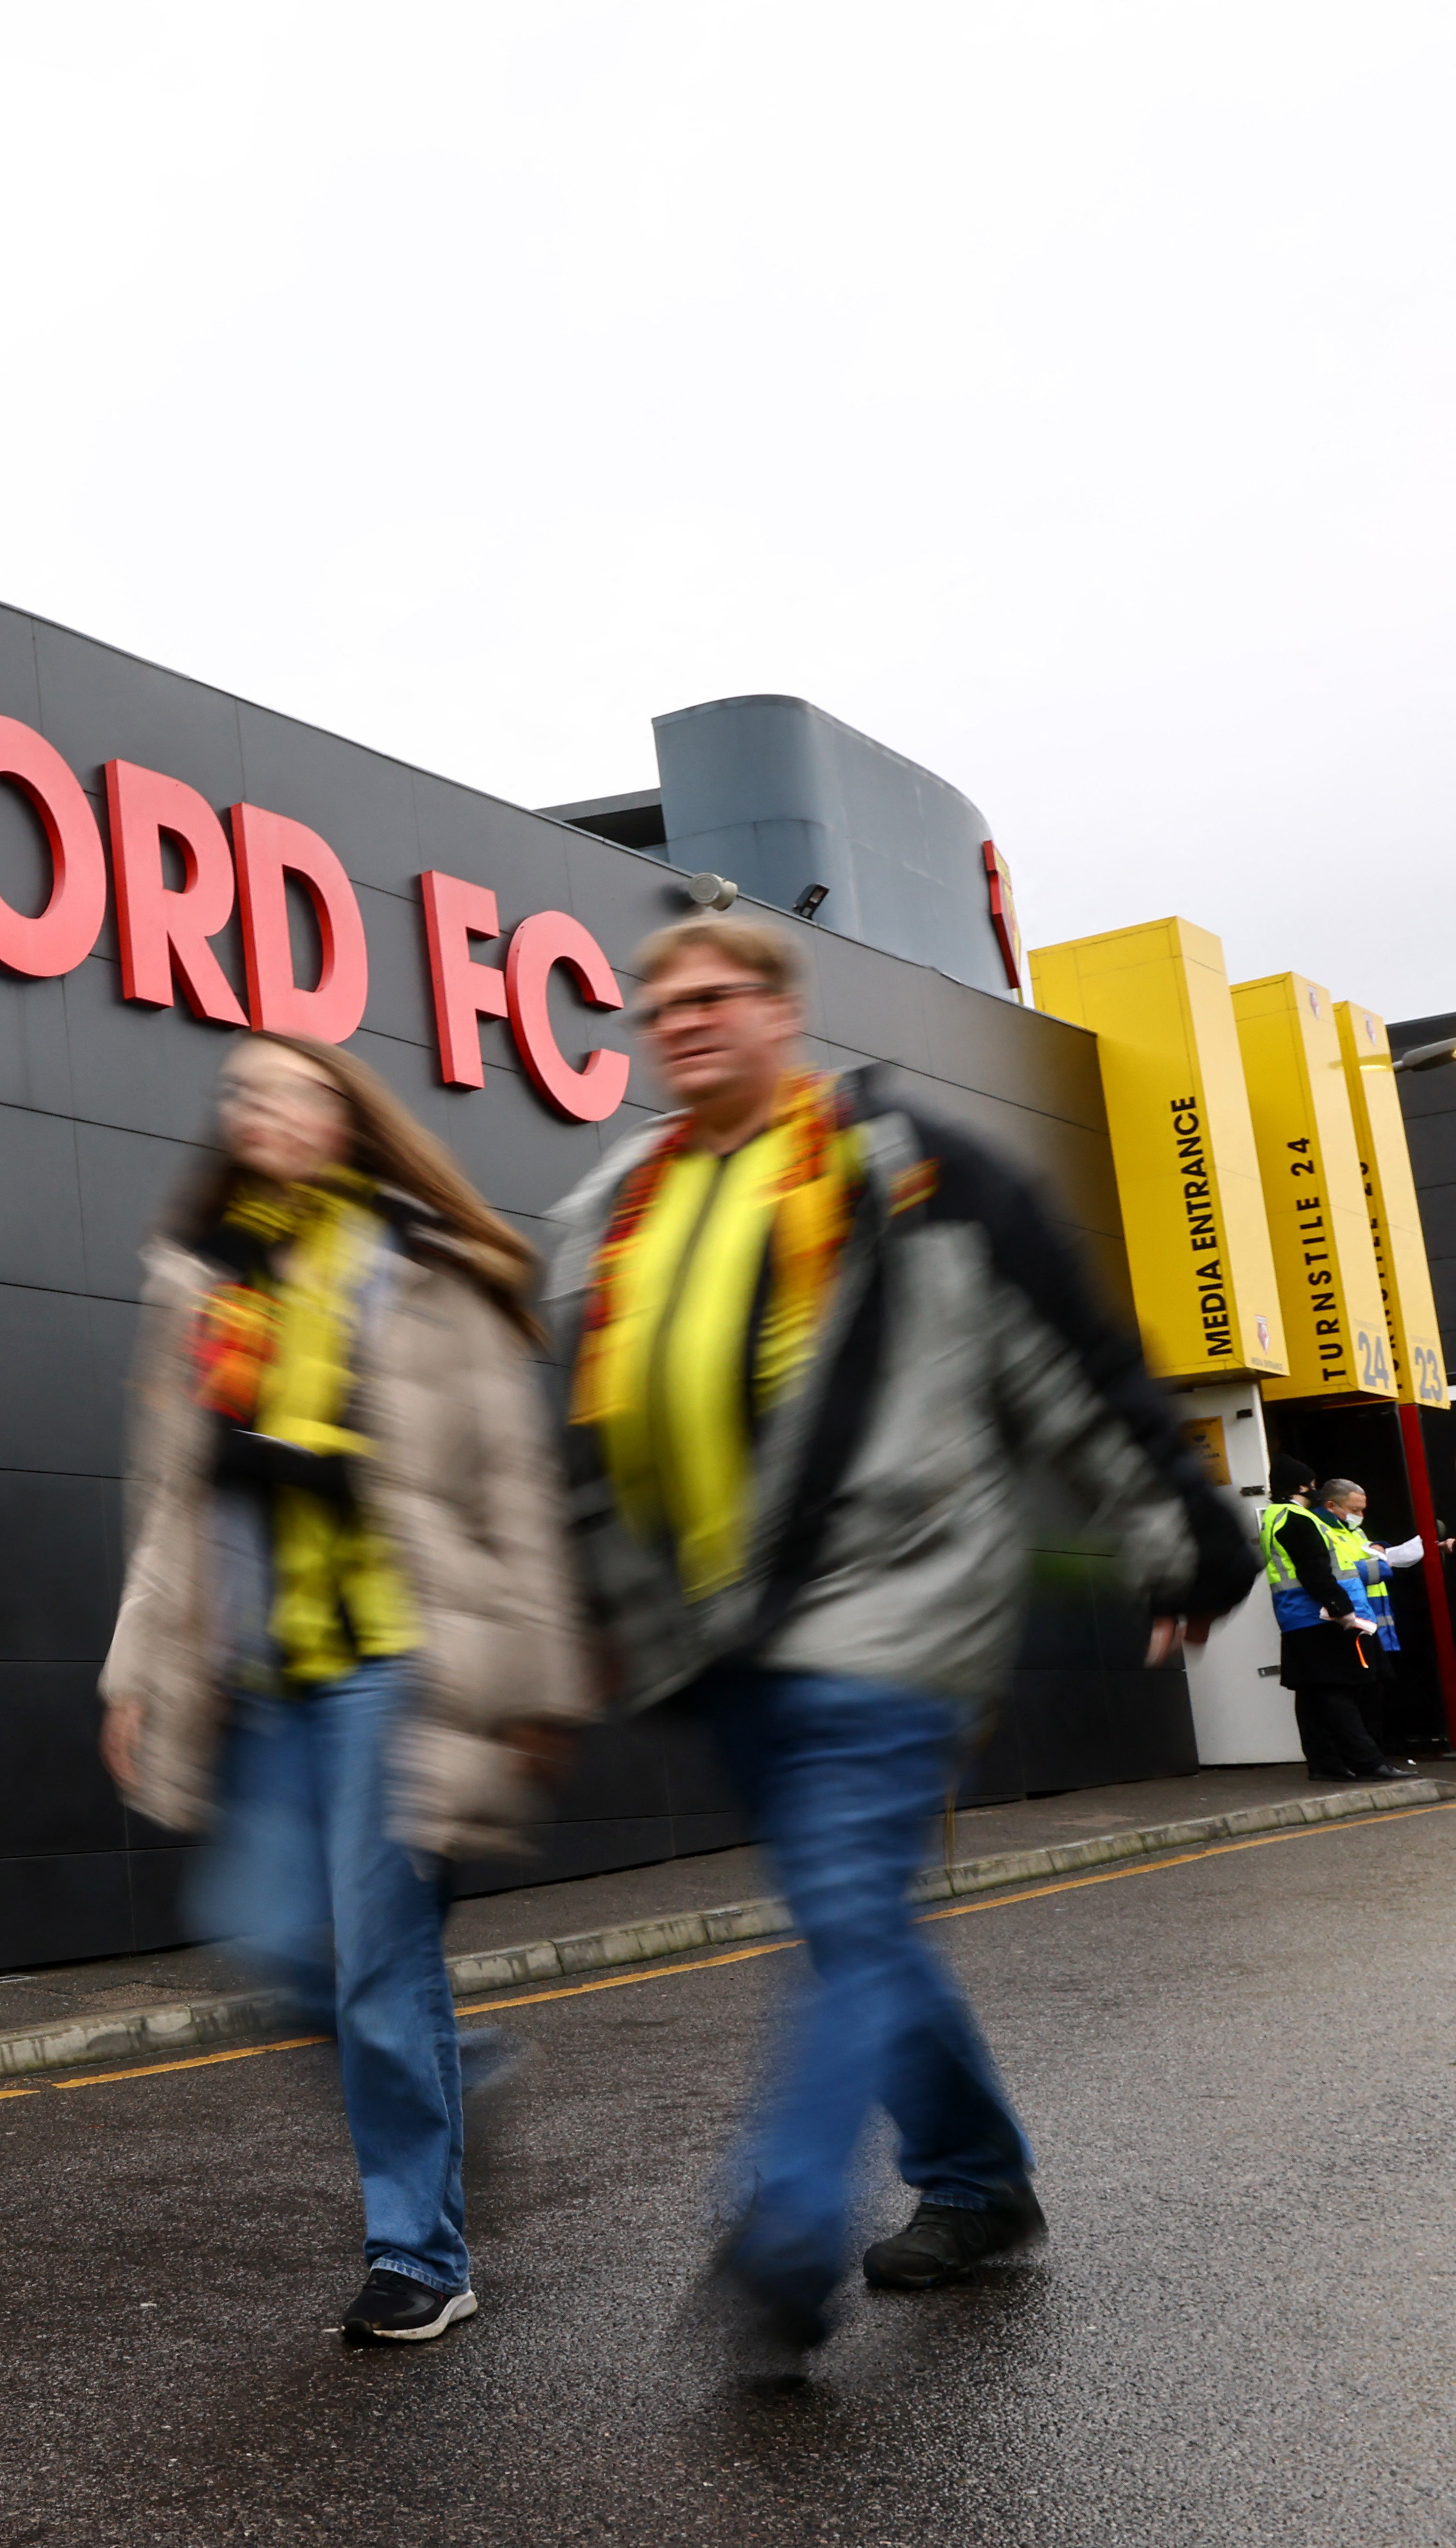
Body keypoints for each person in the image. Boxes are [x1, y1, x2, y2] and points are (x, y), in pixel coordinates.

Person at [547, 914, 1255, 2378]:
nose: (680, 1019)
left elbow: (1058, 1356)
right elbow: (582, 1433)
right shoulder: (616, 1201)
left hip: (897, 1592)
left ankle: (786, 2226)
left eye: (714, 995)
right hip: (721, 1628)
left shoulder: (903, 1165)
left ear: (779, 1010)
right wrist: (586, 1610)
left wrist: (1183, 1537)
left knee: (847, 1902)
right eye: (656, 1002)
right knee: (845, 1915)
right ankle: (978, 2182)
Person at [100, 1033, 589, 2347]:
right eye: (239, 1090)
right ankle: (453, 2078)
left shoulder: (414, 1270)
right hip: (263, 1676)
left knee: (378, 1967)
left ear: (343, 1114)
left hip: (397, 1661)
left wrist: (538, 1676)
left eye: (287, 1085)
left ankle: (417, 2253)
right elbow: (170, 1503)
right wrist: (134, 1669)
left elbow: (508, 1485)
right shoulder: (207, 1281)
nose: (256, 1104)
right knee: (262, 1936)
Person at [1263, 1469, 1423, 1779]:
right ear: (1302, 1486)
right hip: (1319, 1616)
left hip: (1301, 1616)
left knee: (1314, 1694)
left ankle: (1327, 1765)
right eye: (1311, 1485)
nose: (1315, 1490)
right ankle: (1366, 1761)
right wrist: (1340, 1608)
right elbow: (1316, 1571)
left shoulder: (1277, 1517)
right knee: (1337, 1692)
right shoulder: (1299, 1519)